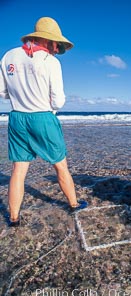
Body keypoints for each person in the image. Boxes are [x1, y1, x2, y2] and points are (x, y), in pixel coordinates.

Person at [0, 17, 88, 227]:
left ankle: (14, 218)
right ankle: (74, 204)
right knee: (61, 165)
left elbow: (2, 92)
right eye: (57, 45)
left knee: (18, 170)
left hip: (17, 117)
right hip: (42, 117)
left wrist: (22, 93)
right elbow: (58, 100)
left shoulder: (8, 56)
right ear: (48, 40)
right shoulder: (51, 62)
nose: (57, 50)